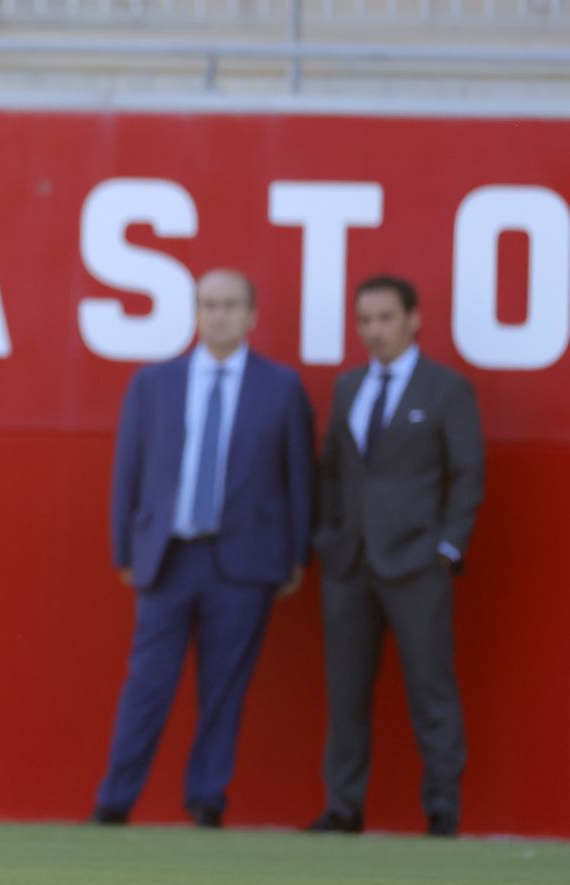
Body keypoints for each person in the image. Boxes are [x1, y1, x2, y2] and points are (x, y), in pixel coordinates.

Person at [95, 269, 313, 828]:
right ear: (194, 313)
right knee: (147, 684)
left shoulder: (281, 387)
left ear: (251, 315)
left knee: (224, 688)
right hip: (168, 557)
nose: (219, 315)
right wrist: (125, 547)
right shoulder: (154, 383)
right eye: (209, 304)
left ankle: (207, 800)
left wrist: (296, 556)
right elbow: (130, 470)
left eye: (231, 305)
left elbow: (299, 477)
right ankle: (115, 801)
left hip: (244, 562)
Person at [309, 274, 484, 837]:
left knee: (431, 688)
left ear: (414, 318)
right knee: (345, 691)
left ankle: (442, 810)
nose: (375, 330)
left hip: (416, 564)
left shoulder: (446, 389)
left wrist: (446, 546)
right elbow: (333, 468)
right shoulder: (349, 386)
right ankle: (343, 807)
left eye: (385, 318)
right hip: (350, 564)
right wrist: (328, 536)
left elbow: (469, 473)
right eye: (365, 320)